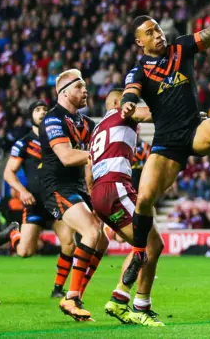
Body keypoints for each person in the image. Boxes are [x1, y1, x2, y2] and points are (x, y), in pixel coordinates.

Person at [119, 0, 210, 286]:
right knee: (144, 201)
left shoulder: (180, 48)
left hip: (194, 129)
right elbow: (131, 92)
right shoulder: (139, 70)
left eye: (158, 29)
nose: (158, 35)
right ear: (140, 42)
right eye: (150, 33)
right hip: (166, 143)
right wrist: (128, 104)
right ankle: (139, 251)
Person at [89, 88, 166, 327]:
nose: (133, 104)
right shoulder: (122, 114)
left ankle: (119, 298)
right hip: (115, 187)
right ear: (116, 102)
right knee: (153, 244)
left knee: (138, 246)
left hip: (101, 191)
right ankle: (141, 307)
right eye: (129, 100)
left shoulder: (97, 128)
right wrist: (187, 115)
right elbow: (153, 114)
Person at [39, 69, 103, 321]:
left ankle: (75, 295)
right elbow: (66, 157)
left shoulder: (85, 123)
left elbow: (90, 160)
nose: (85, 90)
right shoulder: (52, 120)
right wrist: (98, 154)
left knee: (102, 240)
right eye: (80, 86)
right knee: (91, 232)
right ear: (64, 92)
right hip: (57, 187)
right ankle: (72, 297)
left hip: (77, 188)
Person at [0, 100, 75, 299]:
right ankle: (14, 233)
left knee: (69, 243)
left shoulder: (59, 139)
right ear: (31, 115)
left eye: (45, 110)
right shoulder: (24, 142)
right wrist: (22, 191)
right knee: (24, 252)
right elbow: (8, 173)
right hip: (35, 203)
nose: (42, 113)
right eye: (37, 110)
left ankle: (58, 288)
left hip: (57, 199)